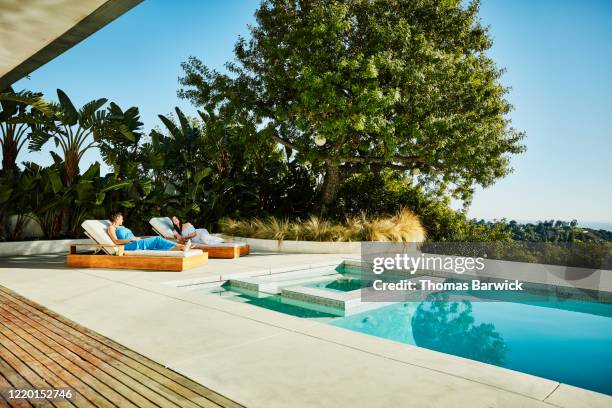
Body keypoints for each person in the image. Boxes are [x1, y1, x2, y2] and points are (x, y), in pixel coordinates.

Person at [108, 213, 192, 251]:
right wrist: (130, 239)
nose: (123, 220)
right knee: (157, 239)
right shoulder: (112, 227)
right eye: (121, 219)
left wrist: (140, 238)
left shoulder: (122, 227)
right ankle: (182, 246)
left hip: (135, 241)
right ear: (117, 219)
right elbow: (116, 241)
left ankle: (180, 248)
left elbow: (132, 236)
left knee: (155, 240)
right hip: (128, 245)